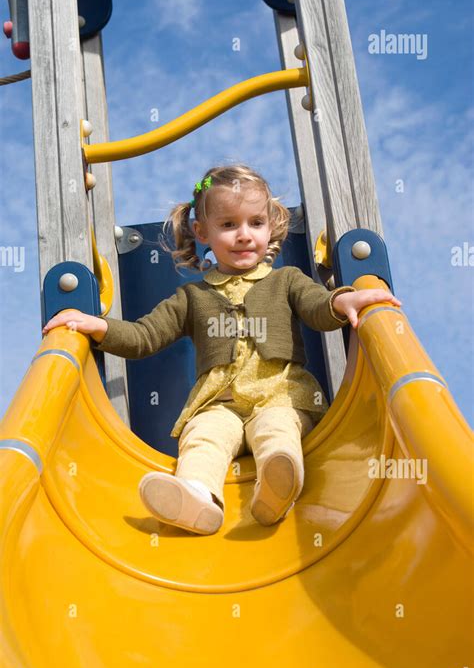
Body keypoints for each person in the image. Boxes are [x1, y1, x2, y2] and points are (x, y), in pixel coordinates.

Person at [42, 164, 402, 536]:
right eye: (229, 225)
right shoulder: (192, 296)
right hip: (219, 402)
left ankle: (279, 484)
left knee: (277, 429)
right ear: (203, 232)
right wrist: (99, 327)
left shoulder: (287, 280)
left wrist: (343, 301)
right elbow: (145, 335)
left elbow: (315, 306)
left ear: (271, 225)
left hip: (281, 393)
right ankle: (197, 498)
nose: (244, 235)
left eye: (255, 223)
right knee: (201, 437)